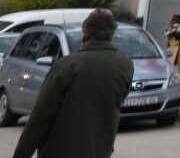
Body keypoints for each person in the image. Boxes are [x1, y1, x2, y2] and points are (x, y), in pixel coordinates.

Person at [12, 9, 133, 158]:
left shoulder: (66, 65)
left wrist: (21, 154)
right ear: (112, 35)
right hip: (99, 151)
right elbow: (116, 103)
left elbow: (41, 115)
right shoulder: (125, 65)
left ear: (85, 34)